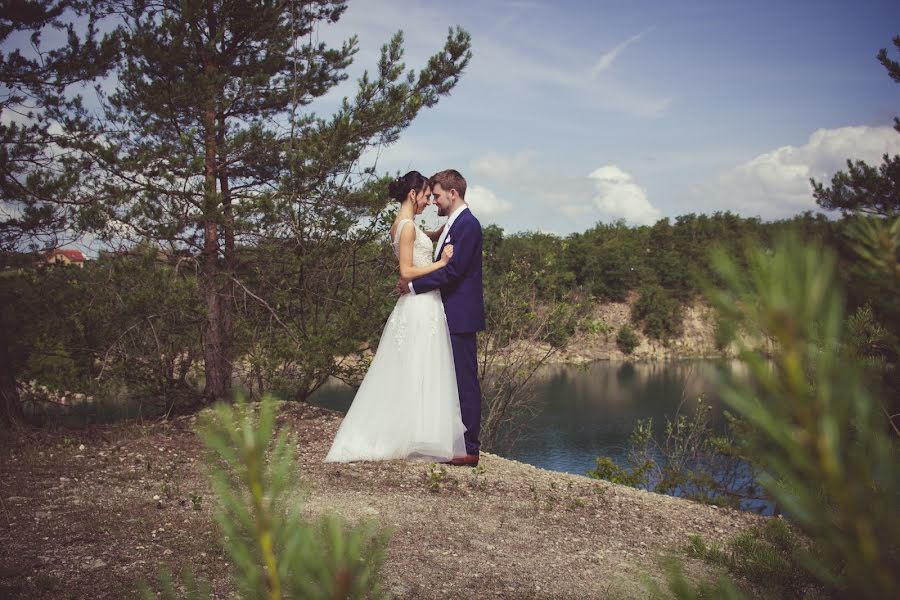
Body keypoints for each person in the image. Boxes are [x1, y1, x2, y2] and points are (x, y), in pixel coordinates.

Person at [325, 171, 467, 463]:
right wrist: (441, 263)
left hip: (420, 304)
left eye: (432, 196)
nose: (428, 201)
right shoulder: (408, 228)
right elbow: (406, 271)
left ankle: (413, 431)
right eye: (426, 196)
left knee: (415, 366)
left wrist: (436, 235)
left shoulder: (404, 226)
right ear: (412, 194)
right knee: (417, 365)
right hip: (420, 304)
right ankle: (405, 435)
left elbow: (416, 241)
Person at [401, 169, 485, 467]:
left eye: (437, 196)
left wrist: (412, 286)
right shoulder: (453, 224)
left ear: (453, 193)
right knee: (449, 381)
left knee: (464, 381)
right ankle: (454, 442)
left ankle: (470, 448)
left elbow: (452, 272)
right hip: (446, 315)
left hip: (461, 315)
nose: (434, 201)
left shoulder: (468, 225)